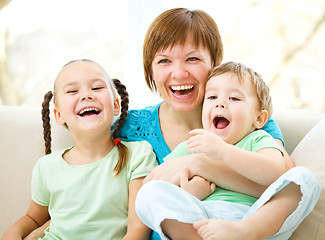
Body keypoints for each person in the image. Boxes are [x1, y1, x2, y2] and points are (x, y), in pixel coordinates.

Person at [116, 8, 320, 240]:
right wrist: (192, 190)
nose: (179, 72)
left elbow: (281, 184)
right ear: (150, 69)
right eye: (164, 60)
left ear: (216, 64)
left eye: (192, 58)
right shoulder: (130, 126)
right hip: (196, 224)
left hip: (246, 223)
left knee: (304, 179)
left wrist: (201, 164)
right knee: (148, 194)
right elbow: (155, 188)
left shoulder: (251, 124)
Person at [134, 61, 321, 240]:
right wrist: (190, 194)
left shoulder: (258, 139)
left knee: (303, 179)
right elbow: (158, 181)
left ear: (259, 119)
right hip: (201, 218)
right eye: (212, 97)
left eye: (234, 98)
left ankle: (245, 232)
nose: (220, 104)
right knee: (147, 194)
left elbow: (275, 173)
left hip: (253, 218)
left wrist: (224, 151)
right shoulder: (193, 144)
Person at [0, 59, 157, 240]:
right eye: (73, 91)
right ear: (59, 115)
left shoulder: (137, 155)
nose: (86, 95)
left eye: (97, 88)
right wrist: (12, 232)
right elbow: (34, 219)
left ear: (115, 105)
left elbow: (137, 231)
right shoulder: (47, 166)